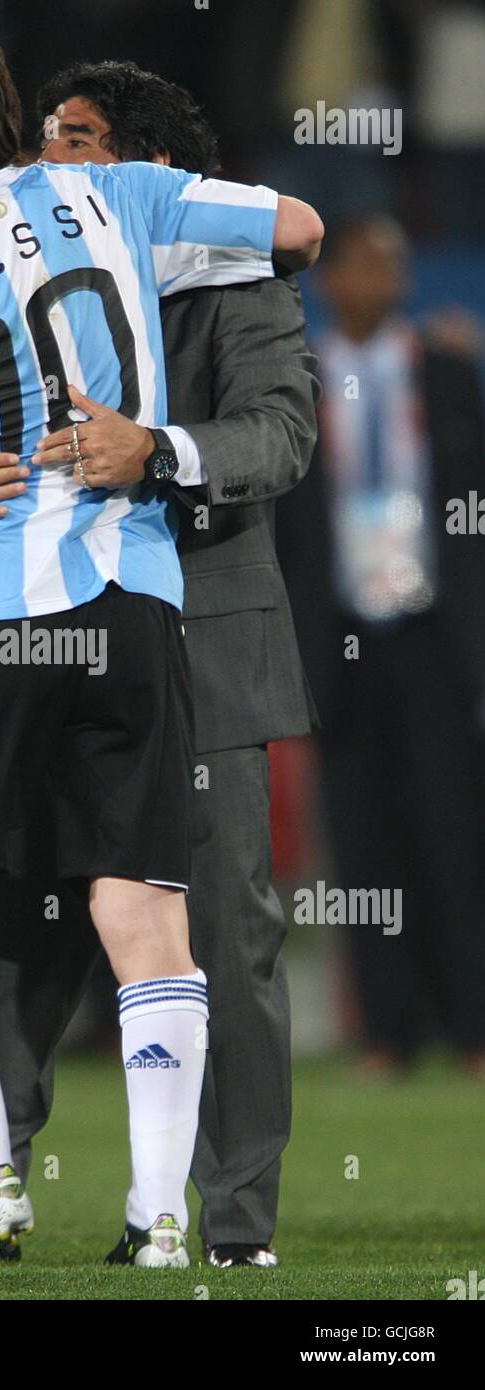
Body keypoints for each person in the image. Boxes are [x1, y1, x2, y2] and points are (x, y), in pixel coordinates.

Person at [0, 16, 323, 1267]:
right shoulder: (117, 207)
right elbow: (297, 223)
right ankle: (130, 1210)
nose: (53, 156)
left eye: (80, 140)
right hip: (131, 607)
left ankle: (67, 1192)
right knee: (123, 919)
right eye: (48, 135)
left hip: (29, 620)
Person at [277, 216, 485, 1076]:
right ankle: (387, 1031)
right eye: (365, 264)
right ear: (330, 283)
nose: (384, 279)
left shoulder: (444, 371)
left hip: (432, 633)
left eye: (395, 264)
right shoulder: (300, 381)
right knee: (362, 843)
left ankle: (470, 1026)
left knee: (454, 831)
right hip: (340, 634)